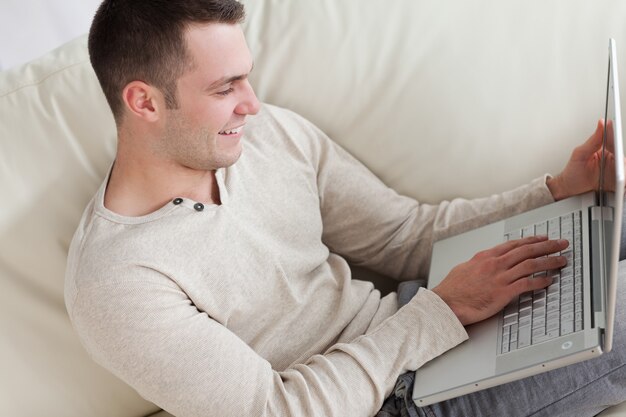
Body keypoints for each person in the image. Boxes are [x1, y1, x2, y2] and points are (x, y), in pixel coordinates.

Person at [64, 1, 626, 416]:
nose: (252, 103)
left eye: (247, 75)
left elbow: (404, 236)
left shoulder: (263, 135)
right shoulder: (118, 283)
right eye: (224, 87)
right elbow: (277, 411)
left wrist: (556, 191)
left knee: (610, 205)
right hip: (394, 403)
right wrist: (443, 312)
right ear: (144, 101)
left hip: (422, 321)